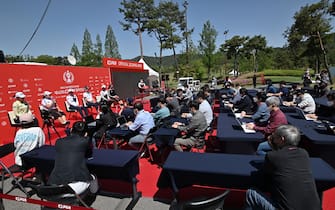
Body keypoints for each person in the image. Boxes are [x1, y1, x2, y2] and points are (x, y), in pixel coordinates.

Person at [245, 125, 321, 210]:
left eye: (275, 136)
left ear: (282, 139)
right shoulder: (304, 153)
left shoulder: (272, 156)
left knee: (251, 193)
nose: (273, 138)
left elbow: (264, 176)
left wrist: (273, 147)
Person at [48, 121, 97, 203]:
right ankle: (93, 194)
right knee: (93, 176)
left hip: (55, 185)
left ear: (71, 130)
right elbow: (88, 156)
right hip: (73, 188)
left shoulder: (58, 141)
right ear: (85, 134)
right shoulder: (86, 141)